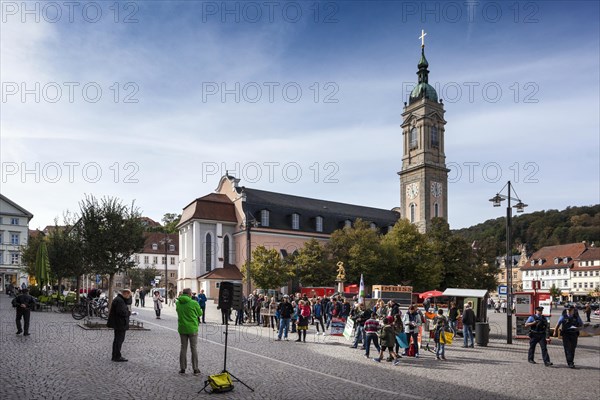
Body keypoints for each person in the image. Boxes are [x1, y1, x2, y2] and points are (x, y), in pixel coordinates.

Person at [176, 288, 202, 375]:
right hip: (192, 328)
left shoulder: (178, 303)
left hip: (182, 328)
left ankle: (182, 368)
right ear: (190, 294)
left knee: (183, 348)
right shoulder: (194, 303)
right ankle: (195, 368)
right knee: (193, 348)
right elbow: (200, 313)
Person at [107, 288, 132, 362]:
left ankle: (115, 355)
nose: (129, 296)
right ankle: (116, 356)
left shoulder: (120, 299)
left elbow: (129, 302)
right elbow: (122, 312)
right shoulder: (119, 301)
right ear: (125, 293)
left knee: (117, 340)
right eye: (129, 295)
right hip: (120, 323)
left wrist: (129, 297)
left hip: (119, 323)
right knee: (119, 340)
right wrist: (129, 313)